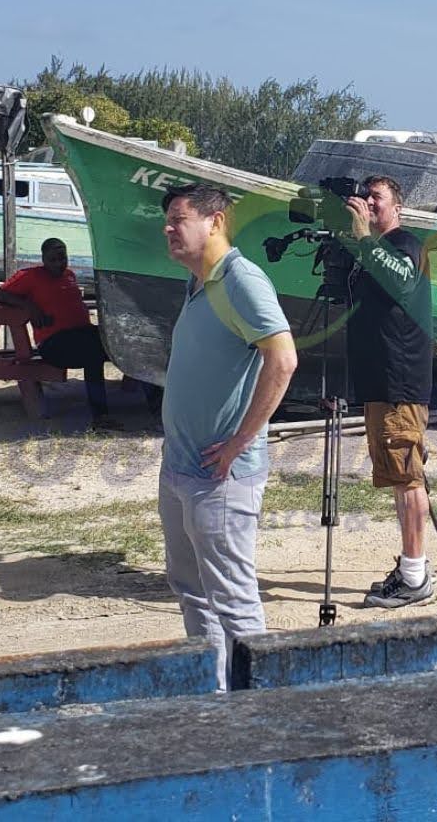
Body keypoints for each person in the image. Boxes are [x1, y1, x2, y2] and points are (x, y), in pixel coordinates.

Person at [158, 183, 297, 690]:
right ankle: (215, 693)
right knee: (191, 589)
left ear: (215, 222)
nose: (169, 229)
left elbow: (282, 359)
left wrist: (242, 439)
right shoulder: (198, 282)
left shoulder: (241, 279)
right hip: (180, 467)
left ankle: (258, 708)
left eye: (179, 218)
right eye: (168, 220)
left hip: (220, 475)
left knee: (234, 601)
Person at [342, 175, 435, 609]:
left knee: (406, 476)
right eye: (364, 198)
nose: (368, 204)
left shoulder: (405, 245)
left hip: (400, 382)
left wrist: (363, 237)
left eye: (376, 198)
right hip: (381, 382)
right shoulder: (373, 253)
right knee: (399, 479)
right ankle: (410, 568)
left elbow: (399, 281)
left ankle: (415, 576)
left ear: (396, 207)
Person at [0, 238, 110, 420]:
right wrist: (30, 307)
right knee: (93, 355)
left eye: (62, 258)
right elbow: (1, 294)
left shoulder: (70, 275)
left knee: (120, 343)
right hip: (54, 342)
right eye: (53, 260)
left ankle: (154, 403)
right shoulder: (30, 276)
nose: (59, 264)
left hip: (81, 333)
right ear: (44, 259)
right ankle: (100, 414)